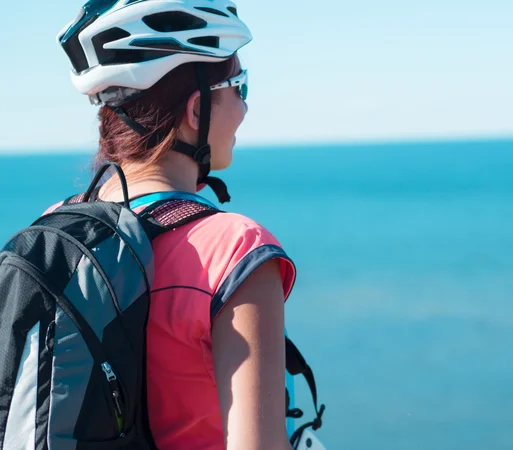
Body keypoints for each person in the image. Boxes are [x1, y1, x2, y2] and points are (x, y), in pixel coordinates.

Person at [53, 0, 302, 448]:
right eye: (239, 87)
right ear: (195, 111)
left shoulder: (57, 230)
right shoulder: (235, 251)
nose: (244, 109)